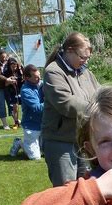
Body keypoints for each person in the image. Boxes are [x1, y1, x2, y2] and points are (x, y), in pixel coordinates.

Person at [41, 31, 100, 186]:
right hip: (60, 142)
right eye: (82, 57)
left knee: (87, 186)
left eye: (87, 58)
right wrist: (96, 110)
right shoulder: (53, 71)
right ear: (69, 51)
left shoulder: (85, 72)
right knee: (66, 190)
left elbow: (100, 93)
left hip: (82, 140)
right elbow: (65, 103)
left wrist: (111, 103)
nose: (85, 61)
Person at [9, 64, 44, 159]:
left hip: (44, 125)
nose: (39, 78)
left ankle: (36, 146)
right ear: (27, 78)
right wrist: (53, 102)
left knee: (46, 152)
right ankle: (19, 142)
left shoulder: (42, 84)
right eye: (36, 77)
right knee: (35, 157)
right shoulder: (26, 90)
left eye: (39, 75)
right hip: (31, 126)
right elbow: (37, 108)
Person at [0, 47, 17, 130]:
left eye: (5, 57)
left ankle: (15, 120)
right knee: (1, 104)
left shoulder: (9, 59)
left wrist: (13, 76)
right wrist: (6, 79)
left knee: (11, 103)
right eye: (2, 57)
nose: (4, 59)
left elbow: (15, 67)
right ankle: (5, 124)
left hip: (7, 85)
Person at [3, 56, 24, 129]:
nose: (14, 68)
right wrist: (10, 81)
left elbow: (24, 78)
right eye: (12, 67)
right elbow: (4, 84)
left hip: (21, 90)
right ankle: (16, 122)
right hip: (12, 91)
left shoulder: (20, 69)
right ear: (9, 66)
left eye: (15, 66)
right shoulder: (6, 72)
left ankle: (25, 121)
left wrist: (21, 75)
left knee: (25, 106)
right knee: (15, 107)